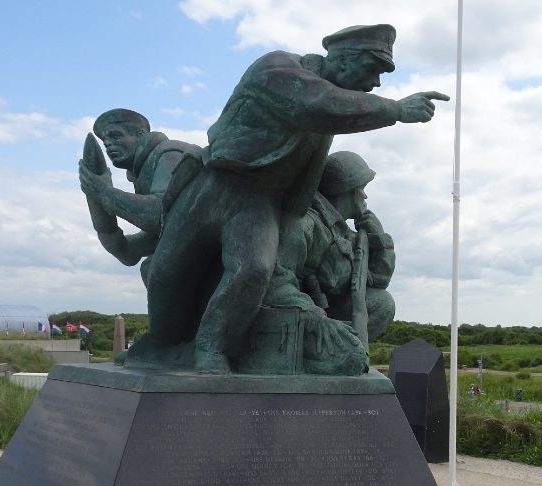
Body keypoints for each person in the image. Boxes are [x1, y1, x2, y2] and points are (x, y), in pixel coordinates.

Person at [131, 24, 449, 374]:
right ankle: (160, 346)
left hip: (257, 202)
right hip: (213, 186)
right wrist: (395, 110)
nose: (375, 84)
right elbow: (319, 104)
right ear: (343, 60)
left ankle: (211, 350)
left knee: (253, 270)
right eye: (372, 71)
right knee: (166, 274)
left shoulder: (327, 110)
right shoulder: (277, 69)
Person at [259, 151, 395, 375]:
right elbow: (276, 280)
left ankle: (324, 355)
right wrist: (314, 316)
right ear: (347, 190)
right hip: (296, 317)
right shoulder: (305, 223)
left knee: (382, 303)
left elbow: (378, 281)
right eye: (362, 188)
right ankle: (308, 359)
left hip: (324, 315)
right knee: (351, 359)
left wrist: (380, 240)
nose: (365, 197)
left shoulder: (346, 234)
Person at [78, 109, 201, 283]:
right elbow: (128, 253)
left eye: (116, 136)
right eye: (105, 142)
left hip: (217, 247)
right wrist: (97, 200)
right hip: (193, 243)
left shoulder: (170, 153)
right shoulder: (142, 172)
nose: (108, 145)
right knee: (155, 269)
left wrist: (103, 192)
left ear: (140, 134)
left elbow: (159, 213)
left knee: (158, 269)